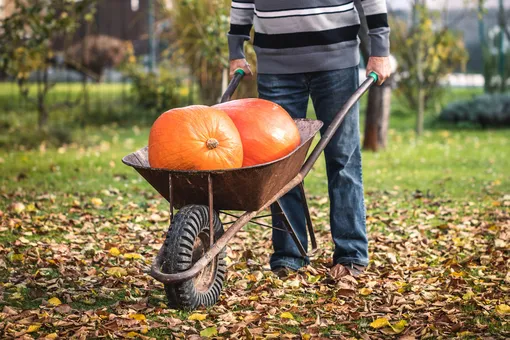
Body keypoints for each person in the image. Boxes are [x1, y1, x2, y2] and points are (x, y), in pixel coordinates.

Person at [228, 0, 391, 278]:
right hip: (275, 65)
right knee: (280, 162)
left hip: (336, 61)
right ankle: (289, 256)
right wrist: (236, 49)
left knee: (343, 158)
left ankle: (351, 254)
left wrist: (380, 50)